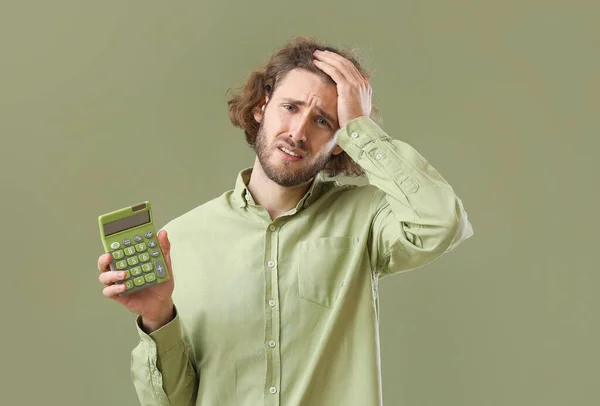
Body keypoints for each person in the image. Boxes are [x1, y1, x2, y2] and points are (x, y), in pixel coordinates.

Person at [97, 35, 474, 406]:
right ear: (262, 107)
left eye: (323, 121)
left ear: (340, 140)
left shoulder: (366, 218)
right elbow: (170, 404)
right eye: (290, 107)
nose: (298, 133)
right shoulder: (180, 240)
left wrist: (361, 127)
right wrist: (158, 317)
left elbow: (441, 223)